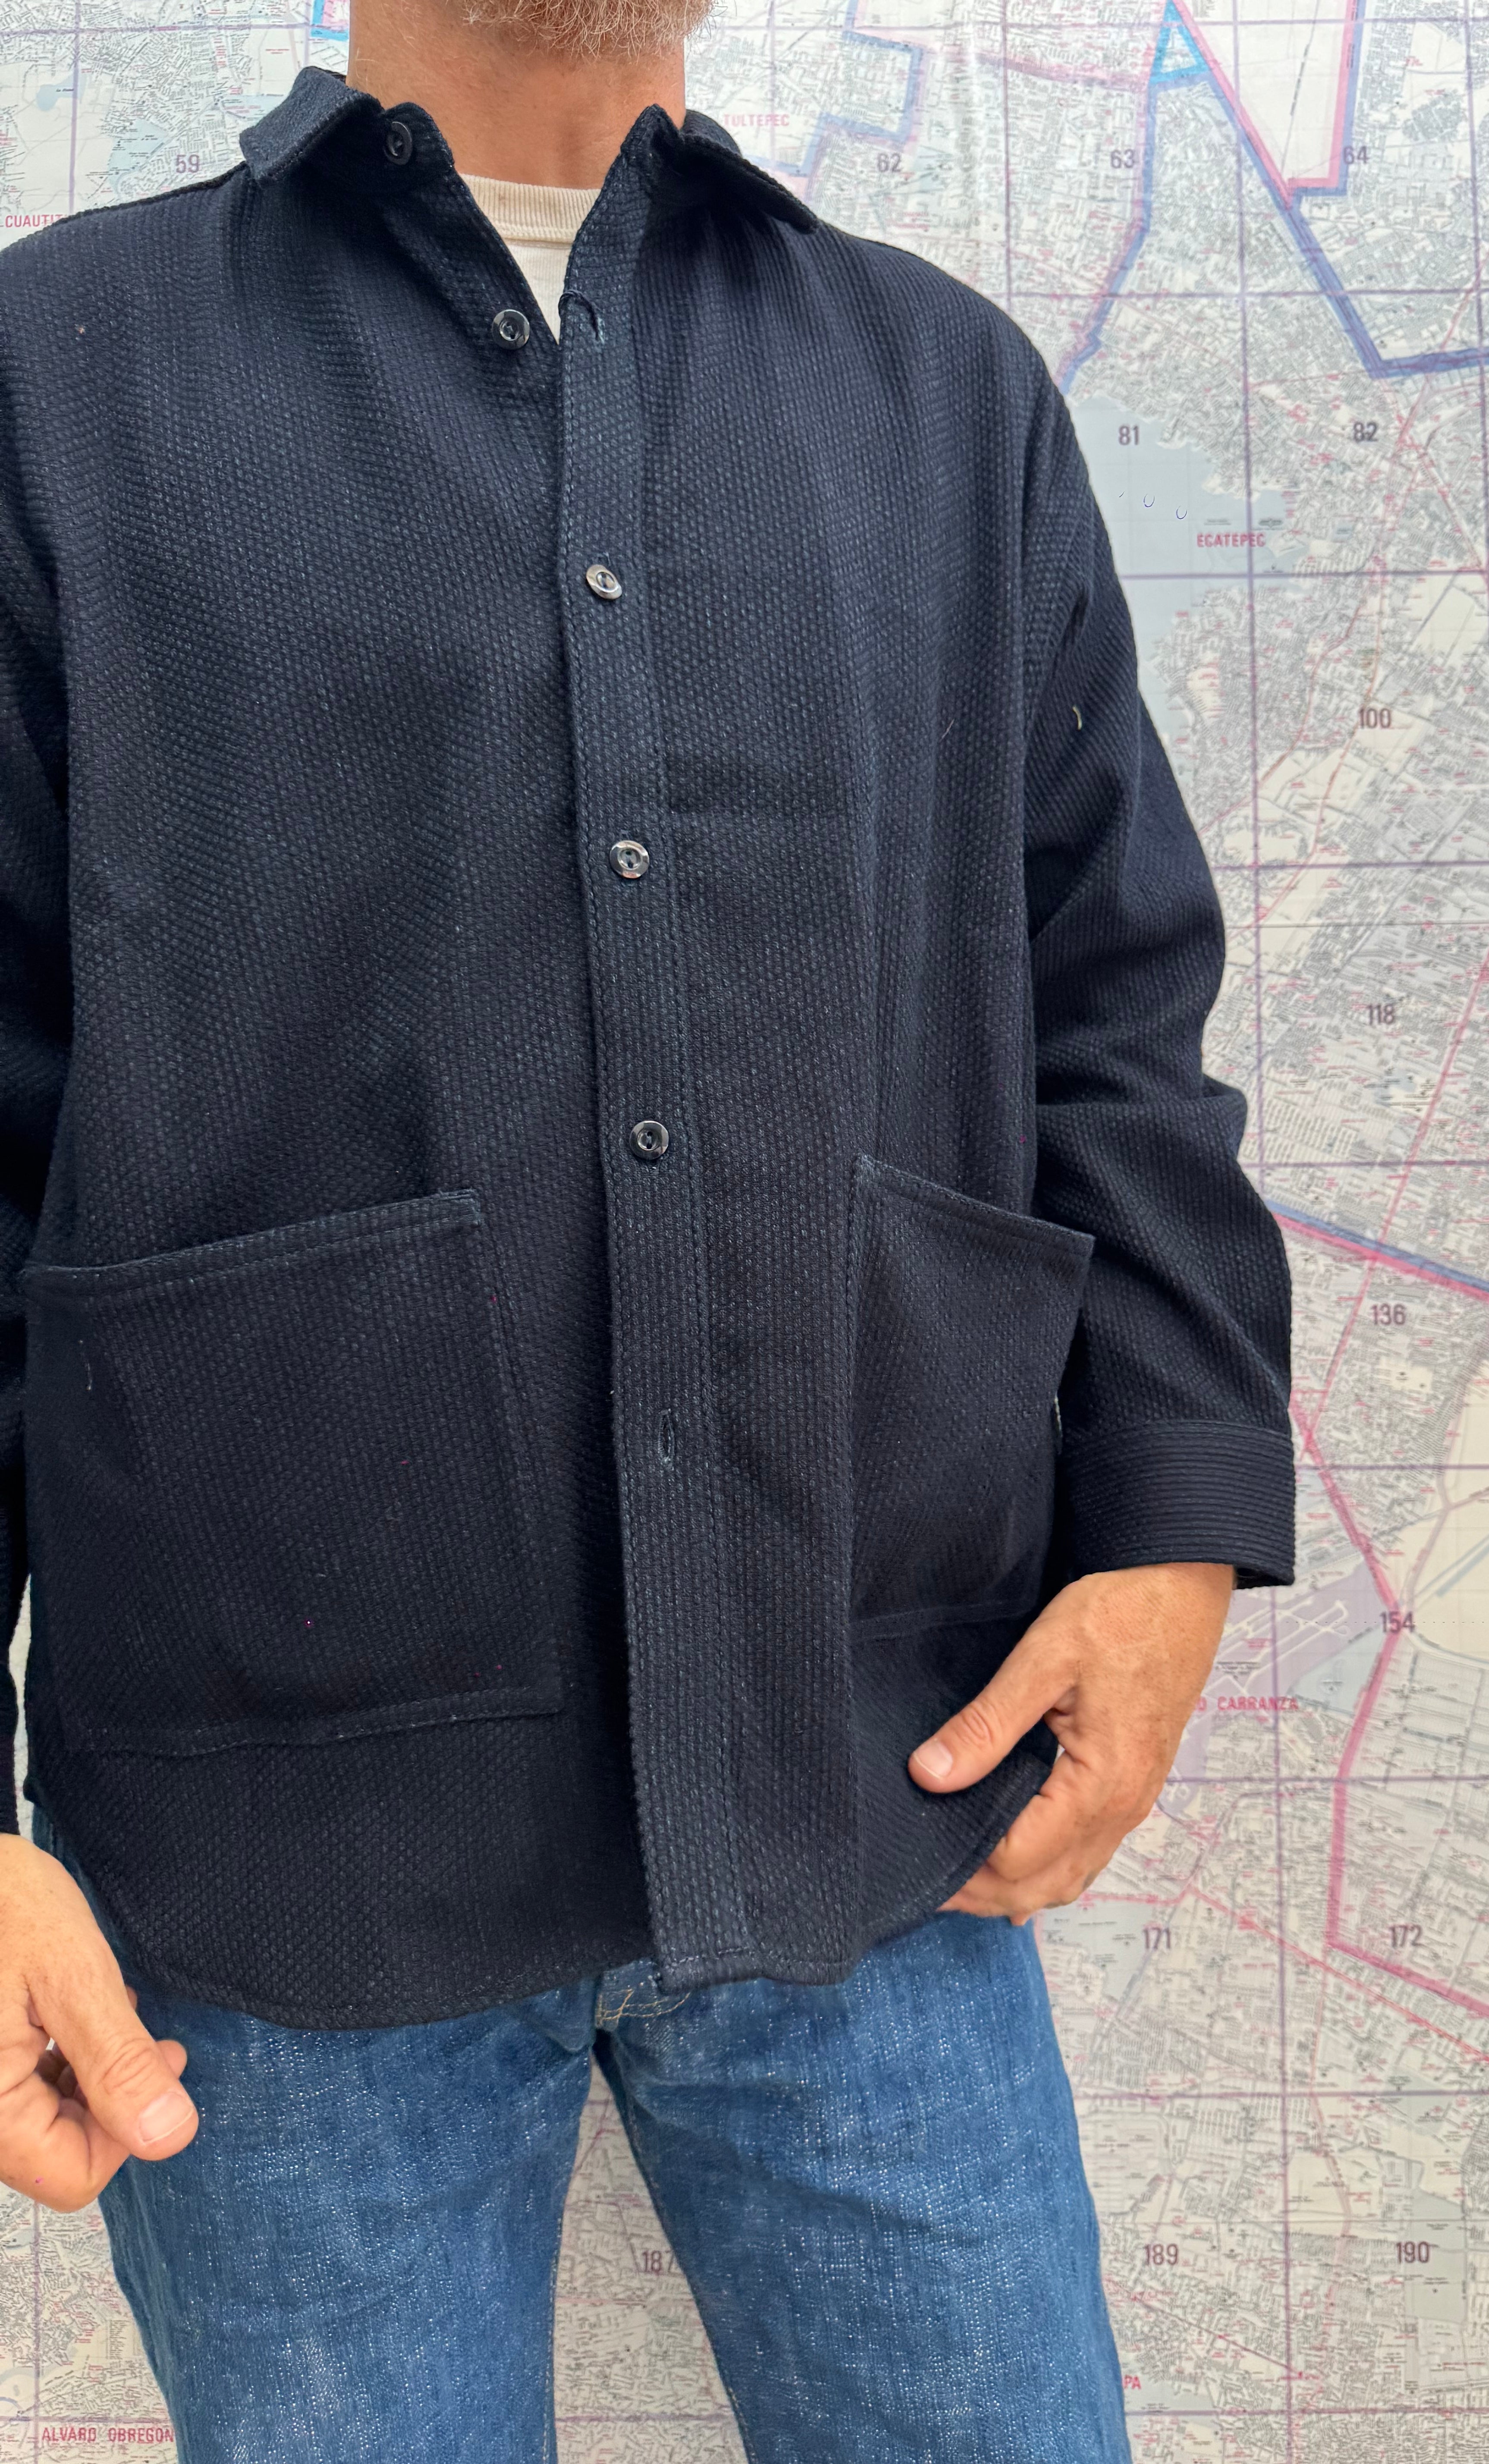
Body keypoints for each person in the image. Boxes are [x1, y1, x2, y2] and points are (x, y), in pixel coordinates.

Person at [0, 0, 1294, 2441]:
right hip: (265, 1883)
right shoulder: (58, 374)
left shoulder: (946, 397)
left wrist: (1175, 1533)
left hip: (874, 1794)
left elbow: (1114, 1005)